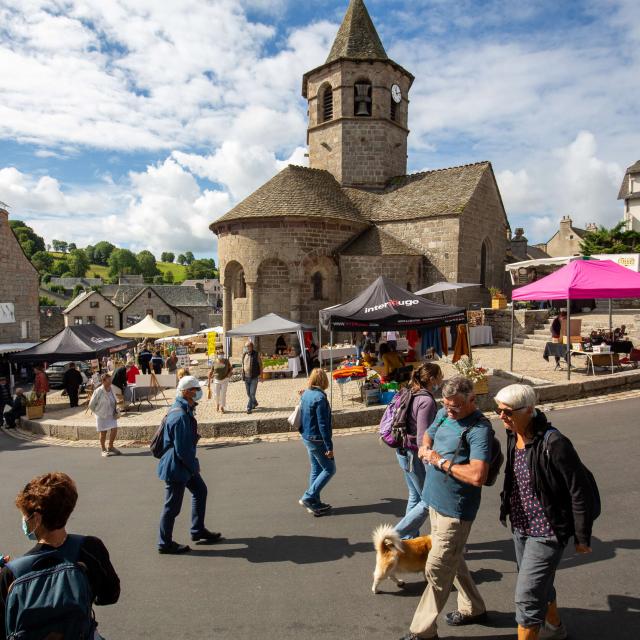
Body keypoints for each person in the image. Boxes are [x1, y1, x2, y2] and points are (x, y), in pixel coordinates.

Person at [495, 384, 597, 640]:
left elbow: (579, 490)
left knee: (527, 596)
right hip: (521, 526)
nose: (502, 417)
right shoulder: (513, 434)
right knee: (541, 584)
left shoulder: (556, 443)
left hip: (548, 530)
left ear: (529, 410)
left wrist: (582, 537)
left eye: (507, 412)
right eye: (498, 410)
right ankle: (555, 627)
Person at [400, 376, 490, 640]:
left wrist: (439, 461)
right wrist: (425, 447)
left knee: (437, 568)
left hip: (456, 511)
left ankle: (422, 632)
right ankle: (474, 608)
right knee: (454, 559)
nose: (450, 411)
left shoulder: (479, 429)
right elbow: (428, 434)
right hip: (434, 502)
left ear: (472, 400)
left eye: (456, 407)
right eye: (447, 405)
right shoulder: (443, 413)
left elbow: (478, 475)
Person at [0, 472, 120, 640]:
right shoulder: (91, 548)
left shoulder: (11, 573)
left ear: (36, 519)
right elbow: (110, 595)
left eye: (25, 515)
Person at [157, 375, 222, 554]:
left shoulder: (183, 409)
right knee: (172, 507)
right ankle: (164, 543)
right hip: (177, 467)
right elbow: (183, 449)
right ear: (186, 392)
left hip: (182, 465)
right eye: (195, 390)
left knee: (200, 491)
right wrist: (194, 465)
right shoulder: (180, 415)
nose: (198, 392)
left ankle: (197, 530)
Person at [394, 363, 442, 539]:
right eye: (440, 376)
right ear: (432, 379)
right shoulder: (426, 401)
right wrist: (429, 462)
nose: (442, 380)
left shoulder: (412, 392)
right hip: (414, 454)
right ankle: (396, 535)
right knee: (429, 500)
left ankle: (408, 539)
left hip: (404, 451)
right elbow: (423, 436)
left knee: (414, 496)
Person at [298, 368, 335, 517]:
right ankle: (308, 496)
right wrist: (329, 446)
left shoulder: (306, 394)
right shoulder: (320, 398)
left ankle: (315, 502)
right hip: (317, 438)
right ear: (324, 381)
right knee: (330, 469)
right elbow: (323, 424)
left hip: (306, 436)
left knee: (316, 469)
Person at [88, 373, 121, 457]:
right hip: (101, 415)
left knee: (114, 429)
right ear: (103, 381)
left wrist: (117, 405)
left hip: (111, 413)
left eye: (111, 380)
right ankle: (103, 449)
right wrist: (98, 412)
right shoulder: (98, 391)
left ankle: (110, 446)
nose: (110, 381)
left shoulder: (111, 388)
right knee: (103, 432)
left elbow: (114, 398)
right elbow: (91, 404)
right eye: (108, 380)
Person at [242, 341, 263, 414]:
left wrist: (261, 376)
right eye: (246, 346)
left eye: (248, 346)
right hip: (246, 377)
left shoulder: (256, 354)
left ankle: (249, 407)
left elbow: (260, 365)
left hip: (254, 377)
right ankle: (255, 402)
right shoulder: (244, 354)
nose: (247, 348)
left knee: (252, 393)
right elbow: (243, 364)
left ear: (252, 347)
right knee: (248, 393)